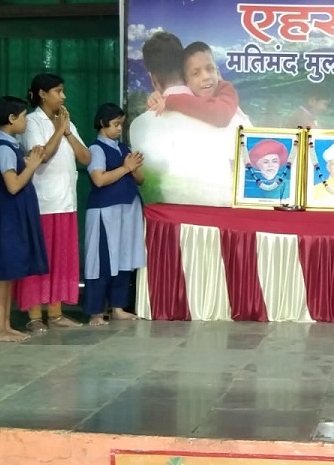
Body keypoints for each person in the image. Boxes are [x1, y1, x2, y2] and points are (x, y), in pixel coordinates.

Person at [128, 31, 236, 207]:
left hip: (166, 221)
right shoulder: (230, 115)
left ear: (152, 79)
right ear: (185, 72)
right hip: (219, 218)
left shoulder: (138, 126)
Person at [17, 73, 89, 333]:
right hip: (43, 202)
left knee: (61, 259)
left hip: (66, 202)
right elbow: (42, 155)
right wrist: (59, 130)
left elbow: (86, 157)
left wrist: (67, 131)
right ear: (42, 94)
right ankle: (35, 315)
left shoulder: (65, 122)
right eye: (58, 91)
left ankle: (56, 313)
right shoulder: (31, 122)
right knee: (40, 258)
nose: (63, 96)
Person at [0, 96, 49, 342]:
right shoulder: (2, 147)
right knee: (2, 272)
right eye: (23, 116)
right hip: (6, 216)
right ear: (11, 119)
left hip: (15, 213)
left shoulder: (12, 144)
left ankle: (5, 324)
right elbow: (12, 185)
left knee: (10, 271)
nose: (26, 121)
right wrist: (31, 166)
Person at [85, 104, 146, 325]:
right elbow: (99, 179)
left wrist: (134, 168)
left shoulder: (123, 148)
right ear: (103, 123)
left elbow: (141, 180)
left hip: (128, 209)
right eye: (116, 124)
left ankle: (118, 307)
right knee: (102, 260)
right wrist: (126, 168)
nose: (120, 128)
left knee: (124, 258)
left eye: (122, 124)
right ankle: (95, 312)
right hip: (106, 211)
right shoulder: (96, 149)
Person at [146, 41, 252, 129]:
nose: (206, 77)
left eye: (210, 69)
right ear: (186, 81)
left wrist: (170, 101)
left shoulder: (226, 89)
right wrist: (156, 99)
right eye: (196, 73)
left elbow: (222, 115)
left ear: (217, 72)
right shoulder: (190, 93)